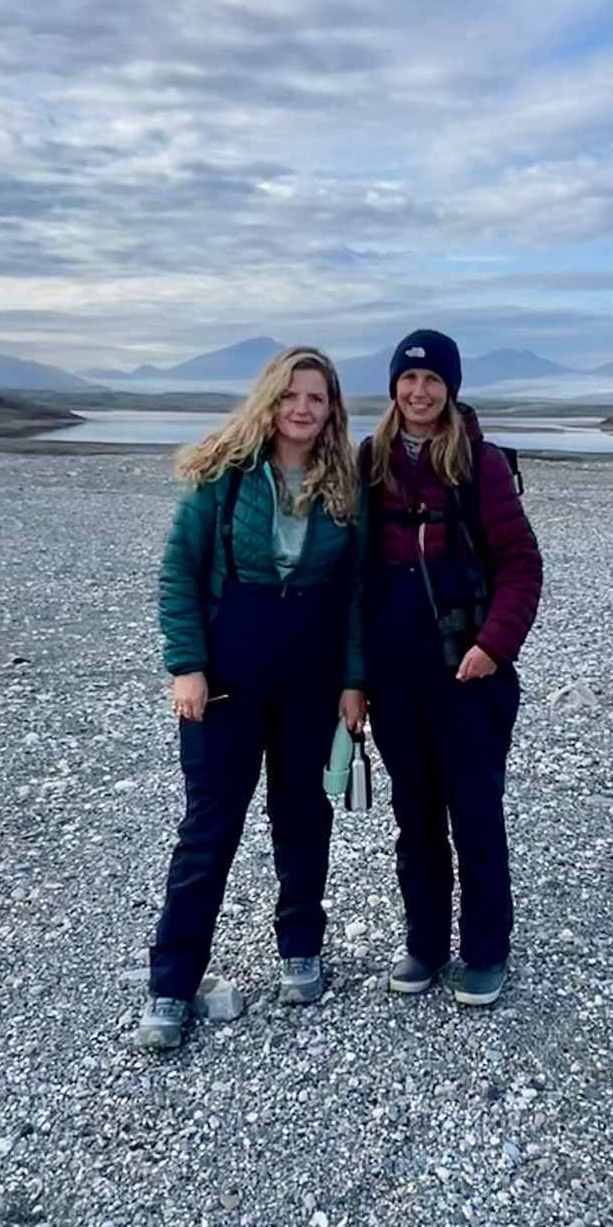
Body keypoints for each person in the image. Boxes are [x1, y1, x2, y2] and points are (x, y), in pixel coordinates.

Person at [138, 347, 367, 1050]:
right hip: (229, 673)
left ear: (332, 410)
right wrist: (187, 667)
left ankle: (301, 949)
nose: (303, 409)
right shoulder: (224, 479)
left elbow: (356, 595)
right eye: (291, 396)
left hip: (312, 675)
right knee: (209, 829)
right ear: (268, 400)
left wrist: (355, 681)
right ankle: (171, 985)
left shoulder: (344, 487)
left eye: (317, 399)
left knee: (304, 816)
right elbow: (179, 575)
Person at [361, 329, 541, 1007]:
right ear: (393, 388)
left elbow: (522, 566)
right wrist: (357, 675)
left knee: (475, 814)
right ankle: (425, 943)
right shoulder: (369, 462)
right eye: (409, 380)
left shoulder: (481, 465)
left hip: (469, 673)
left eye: (433, 380)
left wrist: (494, 645)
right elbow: (354, 574)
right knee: (415, 816)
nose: (419, 391)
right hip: (396, 677)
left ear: (451, 388)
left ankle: (486, 949)